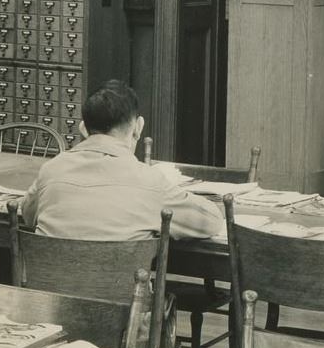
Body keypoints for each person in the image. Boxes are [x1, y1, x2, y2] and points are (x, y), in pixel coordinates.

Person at [22, 80, 221, 242]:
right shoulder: (151, 181)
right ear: (138, 128)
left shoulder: (51, 169)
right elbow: (211, 222)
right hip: (122, 292)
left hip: (47, 290)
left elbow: (28, 216)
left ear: (83, 129)